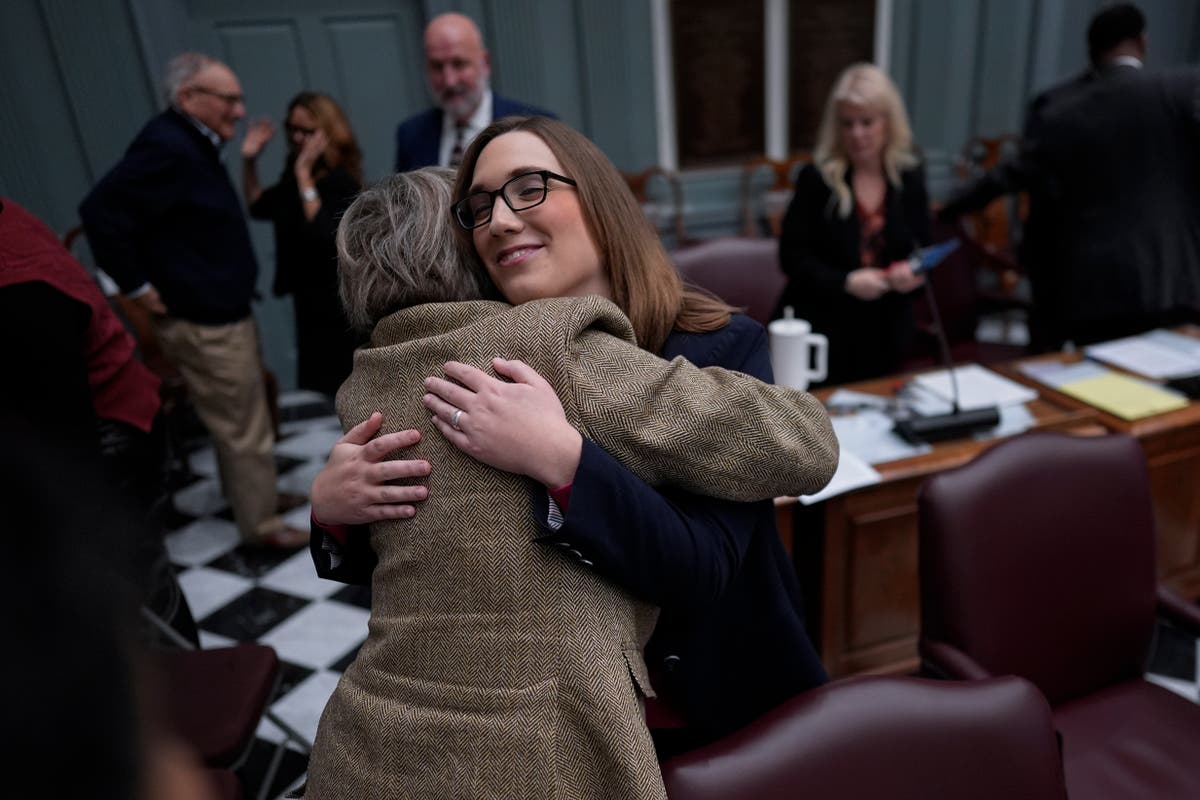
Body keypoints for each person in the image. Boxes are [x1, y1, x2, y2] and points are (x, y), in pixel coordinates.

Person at [310, 116, 836, 757]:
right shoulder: (481, 360)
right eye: (478, 208)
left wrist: (562, 458)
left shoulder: (717, 348)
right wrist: (335, 514)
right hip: (563, 734)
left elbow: (705, 573)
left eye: (529, 187)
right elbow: (441, 558)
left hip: (721, 711)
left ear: (599, 201)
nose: (500, 220)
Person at [79, 52, 307, 549]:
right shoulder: (168, 146)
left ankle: (254, 498)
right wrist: (137, 288)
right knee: (242, 424)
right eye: (228, 99)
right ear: (188, 98)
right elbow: (100, 212)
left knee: (240, 415)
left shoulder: (193, 141)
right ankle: (261, 525)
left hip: (220, 310)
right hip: (204, 320)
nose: (240, 109)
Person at [939, 3, 1200, 347]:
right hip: (1169, 281)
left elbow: (1014, 173)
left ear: (1090, 50)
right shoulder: (1181, 91)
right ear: (1143, 42)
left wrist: (948, 207)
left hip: (1088, 289)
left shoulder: (1060, 107)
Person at [0, 197, 199, 646]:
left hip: (103, 438)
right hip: (80, 430)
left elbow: (66, 439)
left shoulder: (18, 281)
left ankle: (186, 699)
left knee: (131, 590)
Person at [775, 63, 932, 386]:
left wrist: (913, 273)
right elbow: (791, 257)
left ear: (888, 122)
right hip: (824, 329)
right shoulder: (817, 179)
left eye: (867, 122)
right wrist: (846, 281)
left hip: (886, 332)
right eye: (847, 124)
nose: (857, 134)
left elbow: (923, 248)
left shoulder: (909, 176)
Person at [241, 91, 364, 397]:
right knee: (321, 385)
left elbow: (325, 232)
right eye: (292, 129)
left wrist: (304, 177)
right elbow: (259, 206)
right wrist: (250, 162)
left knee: (344, 380)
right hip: (307, 296)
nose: (297, 138)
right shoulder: (292, 172)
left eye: (307, 131)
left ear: (328, 132)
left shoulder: (340, 178)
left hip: (336, 299)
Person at [393, 12, 554, 172]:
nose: (449, 81)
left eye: (459, 64)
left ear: (485, 63)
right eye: (437, 66)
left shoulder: (534, 126)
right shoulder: (411, 135)